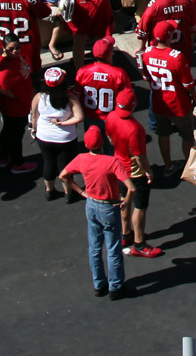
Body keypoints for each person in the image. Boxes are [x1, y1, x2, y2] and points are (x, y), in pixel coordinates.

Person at [60, 126, 129, 297]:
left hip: (91, 204)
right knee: (113, 248)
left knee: (95, 248)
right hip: (109, 207)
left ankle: (99, 285)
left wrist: (81, 191)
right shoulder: (111, 162)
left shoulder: (82, 159)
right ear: (102, 144)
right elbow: (131, 187)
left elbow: (63, 175)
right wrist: (126, 200)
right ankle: (115, 287)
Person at [105, 91, 163, 259]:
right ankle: (139, 243)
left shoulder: (111, 117)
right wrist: (148, 171)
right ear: (134, 105)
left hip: (118, 168)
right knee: (140, 206)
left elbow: (109, 138)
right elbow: (139, 157)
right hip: (134, 173)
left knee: (124, 201)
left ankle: (125, 235)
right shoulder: (135, 129)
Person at [31, 68, 86, 200]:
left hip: (44, 137)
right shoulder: (70, 98)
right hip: (66, 139)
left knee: (48, 163)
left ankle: (49, 191)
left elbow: (34, 116)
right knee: (66, 166)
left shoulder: (39, 97)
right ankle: (68, 193)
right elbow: (79, 117)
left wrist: (34, 128)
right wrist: (63, 123)